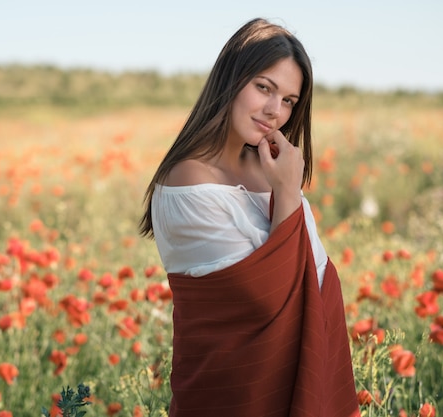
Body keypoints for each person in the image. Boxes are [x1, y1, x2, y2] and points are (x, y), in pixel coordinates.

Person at [140, 18, 360, 417]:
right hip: (231, 398)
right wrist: (288, 192)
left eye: (290, 100)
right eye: (264, 88)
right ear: (231, 79)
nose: (275, 111)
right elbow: (271, 299)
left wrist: (285, 189)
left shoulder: (270, 171)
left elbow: (319, 278)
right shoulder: (187, 183)